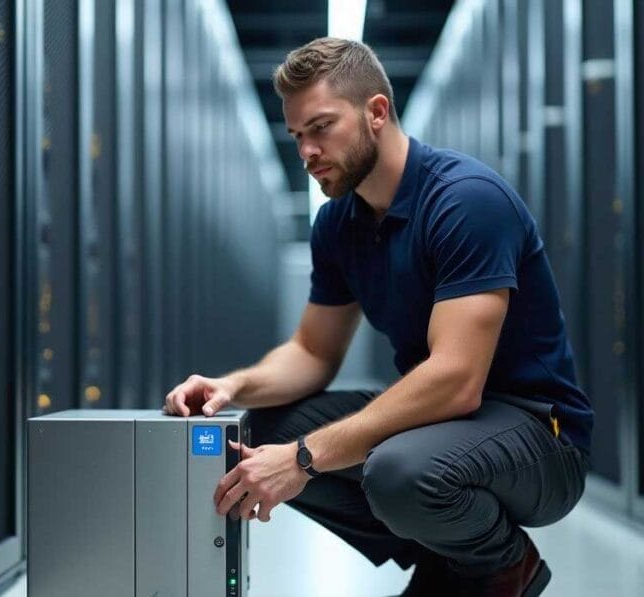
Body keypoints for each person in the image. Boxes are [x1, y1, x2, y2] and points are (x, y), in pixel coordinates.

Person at [163, 37, 592, 597]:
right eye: (297, 136)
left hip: (541, 435)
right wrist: (233, 386)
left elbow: (457, 382)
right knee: (261, 429)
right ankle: (448, 552)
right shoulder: (339, 223)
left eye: (321, 127)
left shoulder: (465, 201)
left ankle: (501, 563)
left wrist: (303, 460)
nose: (307, 151)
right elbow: (313, 353)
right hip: (450, 428)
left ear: (376, 112)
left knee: (396, 470)